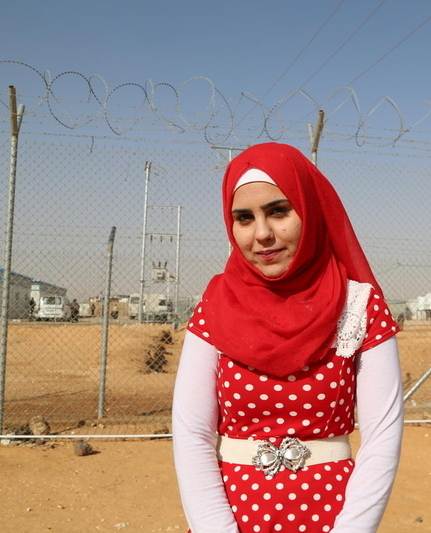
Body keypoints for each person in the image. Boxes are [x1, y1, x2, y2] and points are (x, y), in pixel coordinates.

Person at [172, 142, 403, 533]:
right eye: (244, 218)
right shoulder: (214, 306)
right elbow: (192, 433)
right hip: (229, 518)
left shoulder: (360, 306)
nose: (262, 234)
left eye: (278, 211)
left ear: (310, 210)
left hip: (333, 518)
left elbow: (382, 439)